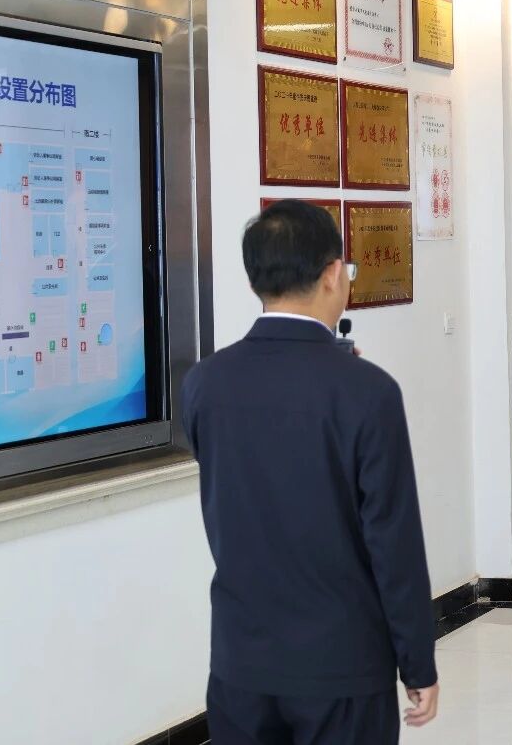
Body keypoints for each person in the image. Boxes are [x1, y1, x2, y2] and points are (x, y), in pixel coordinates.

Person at [181, 201, 439, 743]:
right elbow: (393, 541)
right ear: (331, 274)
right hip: (341, 665)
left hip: (240, 662)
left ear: (255, 279)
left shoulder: (204, 383)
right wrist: (417, 663)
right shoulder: (368, 391)